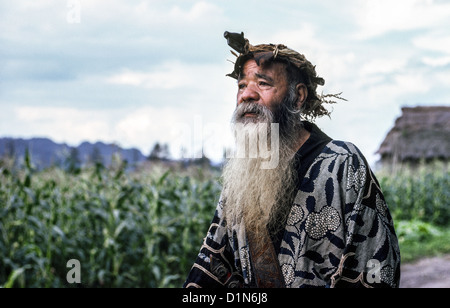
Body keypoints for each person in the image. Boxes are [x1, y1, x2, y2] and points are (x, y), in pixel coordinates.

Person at [183, 32, 401, 288]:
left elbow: (375, 264)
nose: (246, 95)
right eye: (241, 85)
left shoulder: (343, 164)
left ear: (297, 97)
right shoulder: (241, 180)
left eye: (262, 83)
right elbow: (213, 269)